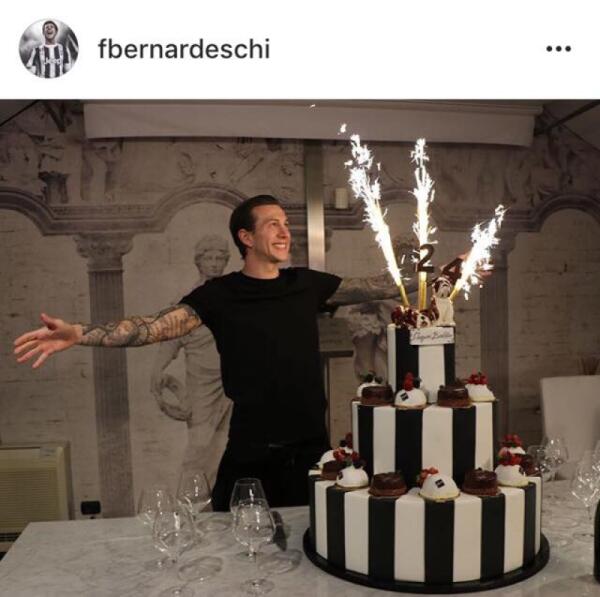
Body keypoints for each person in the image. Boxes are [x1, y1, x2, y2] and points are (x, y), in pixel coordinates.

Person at [13, 194, 416, 510]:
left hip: (311, 449)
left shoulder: (306, 284)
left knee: (310, 545)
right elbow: (152, 327)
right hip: (250, 452)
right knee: (237, 545)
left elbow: (380, 285)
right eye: (272, 224)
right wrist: (78, 333)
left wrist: (440, 270)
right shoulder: (219, 295)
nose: (284, 232)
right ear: (246, 237)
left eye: (285, 223)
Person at [149, 234, 232, 488]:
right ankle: (192, 500)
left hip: (232, 380)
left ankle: (222, 500)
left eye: (219, 258)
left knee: (228, 445)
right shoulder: (187, 300)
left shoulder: (235, 297)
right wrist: (157, 369)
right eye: (209, 258)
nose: (215, 263)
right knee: (199, 446)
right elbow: (171, 340)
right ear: (199, 262)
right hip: (202, 383)